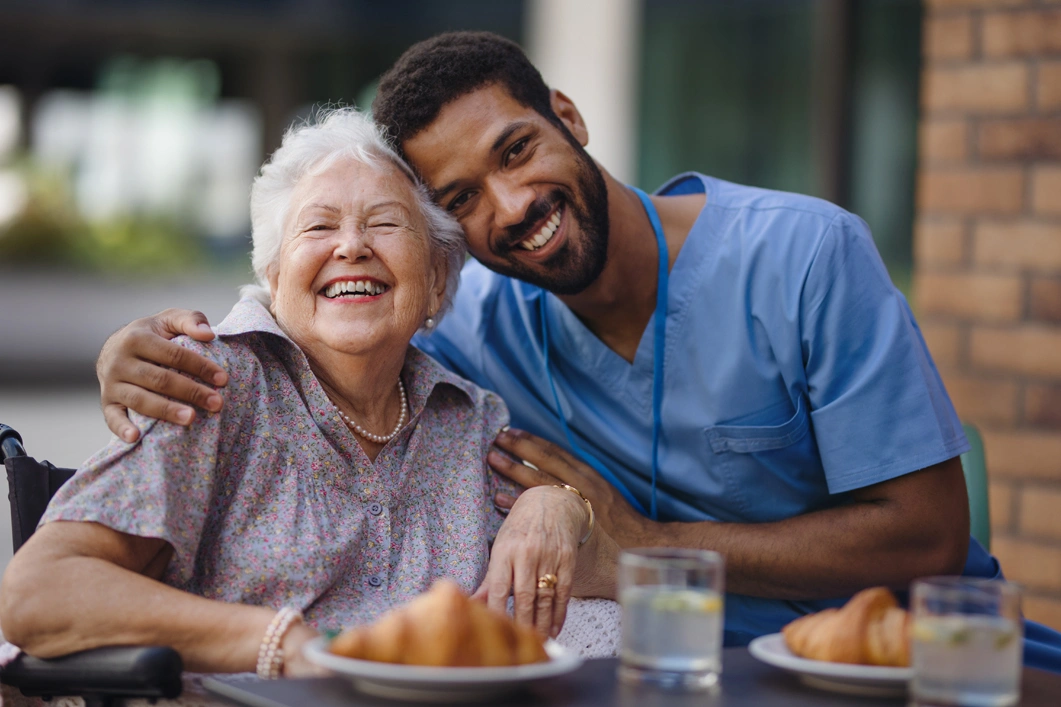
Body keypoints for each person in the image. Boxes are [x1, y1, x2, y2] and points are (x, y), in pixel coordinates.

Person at [93, 32, 1061, 669]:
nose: (509, 209)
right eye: (462, 199)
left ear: (569, 115)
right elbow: (331, 304)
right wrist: (147, 349)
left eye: (515, 151)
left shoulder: (804, 253)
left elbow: (927, 533)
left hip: (905, 662)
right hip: (660, 671)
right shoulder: (470, 324)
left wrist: (636, 545)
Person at [0, 107, 619, 676]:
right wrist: (285, 643)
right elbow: (38, 593)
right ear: (273, 275)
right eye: (318, 226)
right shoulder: (215, 383)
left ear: (435, 283)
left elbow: (587, 587)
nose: (351, 246)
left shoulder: (469, 418)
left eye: (385, 223)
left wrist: (560, 506)